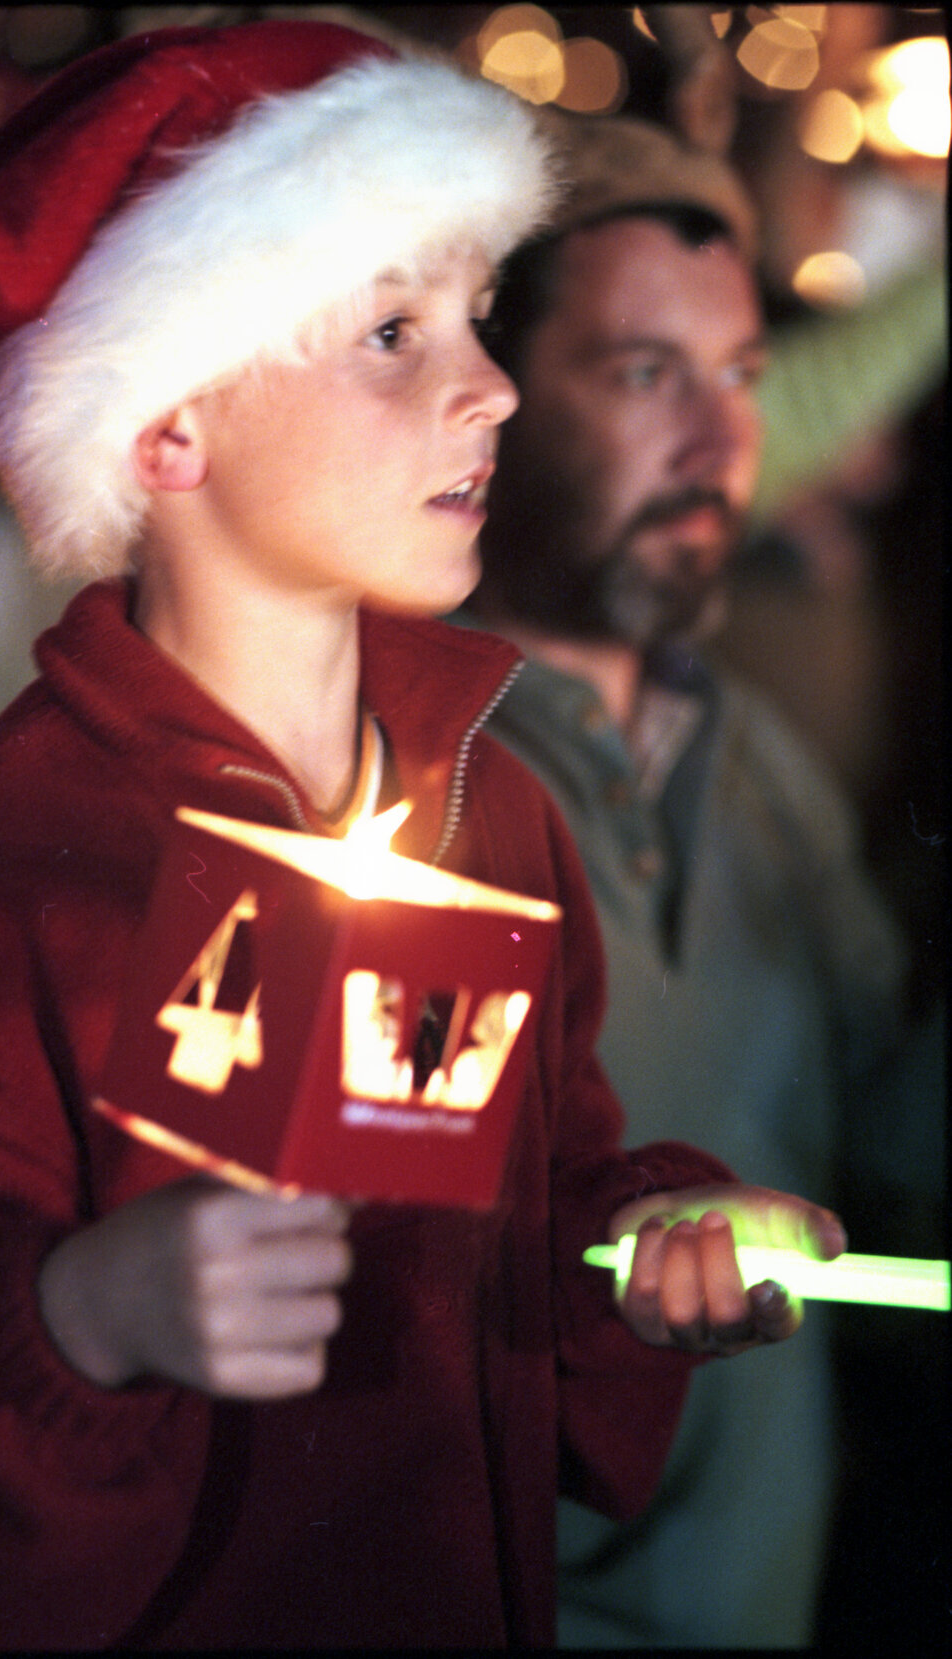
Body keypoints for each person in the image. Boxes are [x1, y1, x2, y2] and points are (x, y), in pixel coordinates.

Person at [0, 24, 846, 1650]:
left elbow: (530, 1225)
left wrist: (645, 1246)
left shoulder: (495, 805)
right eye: (392, 332)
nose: (491, 383)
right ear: (165, 428)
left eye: (475, 316)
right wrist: (77, 1317)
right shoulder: (6, 869)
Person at [465, 111, 913, 1649]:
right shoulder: (390, 783)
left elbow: (888, 1135)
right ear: (488, 396)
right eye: (645, 374)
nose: (722, 444)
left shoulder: (756, 762)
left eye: (740, 376)